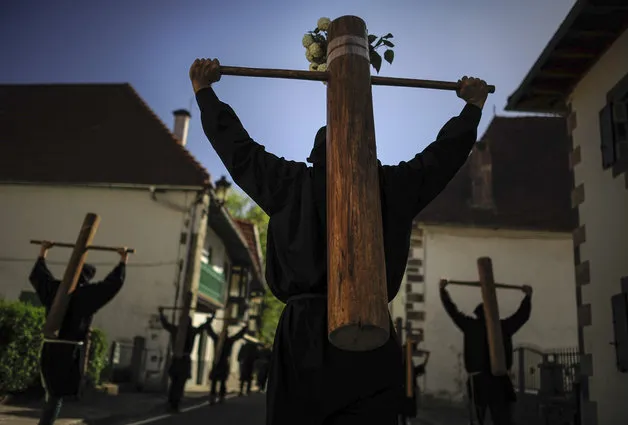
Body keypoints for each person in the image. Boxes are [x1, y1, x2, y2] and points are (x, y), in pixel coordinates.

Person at [189, 57, 489, 425]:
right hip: (370, 332)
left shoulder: (290, 183)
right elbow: (441, 158)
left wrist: (205, 93)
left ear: (315, 156)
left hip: (306, 339)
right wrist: (471, 109)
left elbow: (238, 150)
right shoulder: (393, 187)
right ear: (368, 147)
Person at [30, 240, 128, 425]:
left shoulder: (55, 289)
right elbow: (111, 285)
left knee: (50, 391)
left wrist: (43, 252)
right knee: (56, 394)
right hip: (70, 351)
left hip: (49, 347)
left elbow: (39, 277)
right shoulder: (87, 295)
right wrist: (123, 261)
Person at [439, 280, 533, 425]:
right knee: (502, 419)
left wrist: (443, 291)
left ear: (477, 314)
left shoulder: (470, 326)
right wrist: (527, 297)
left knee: (480, 419)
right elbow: (521, 316)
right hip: (499, 382)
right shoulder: (503, 327)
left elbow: (453, 312)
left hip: (479, 383)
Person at [158, 307, 213, 413]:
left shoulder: (179, 330)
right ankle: (174, 403)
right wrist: (211, 319)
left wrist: (161, 314)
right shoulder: (186, 331)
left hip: (180, 359)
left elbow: (166, 324)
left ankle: (173, 403)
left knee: (176, 383)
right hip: (181, 359)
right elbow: (203, 327)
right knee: (178, 383)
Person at [206, 323, 248, 404]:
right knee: (217, 382)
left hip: (221, 362)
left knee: (220, 381)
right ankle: (214, 396)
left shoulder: (227, 341)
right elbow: (210, 332)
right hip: (218, 362)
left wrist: (244, 329)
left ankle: (219, 396)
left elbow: (237, 336)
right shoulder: (219, 340)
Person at [398, 340, 426, 425]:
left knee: (405, 412)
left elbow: (412, 373)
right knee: (404, 410)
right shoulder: (405, 360)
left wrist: (422, 367)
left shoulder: (406, 360)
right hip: (405, 389)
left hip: (406, 388)